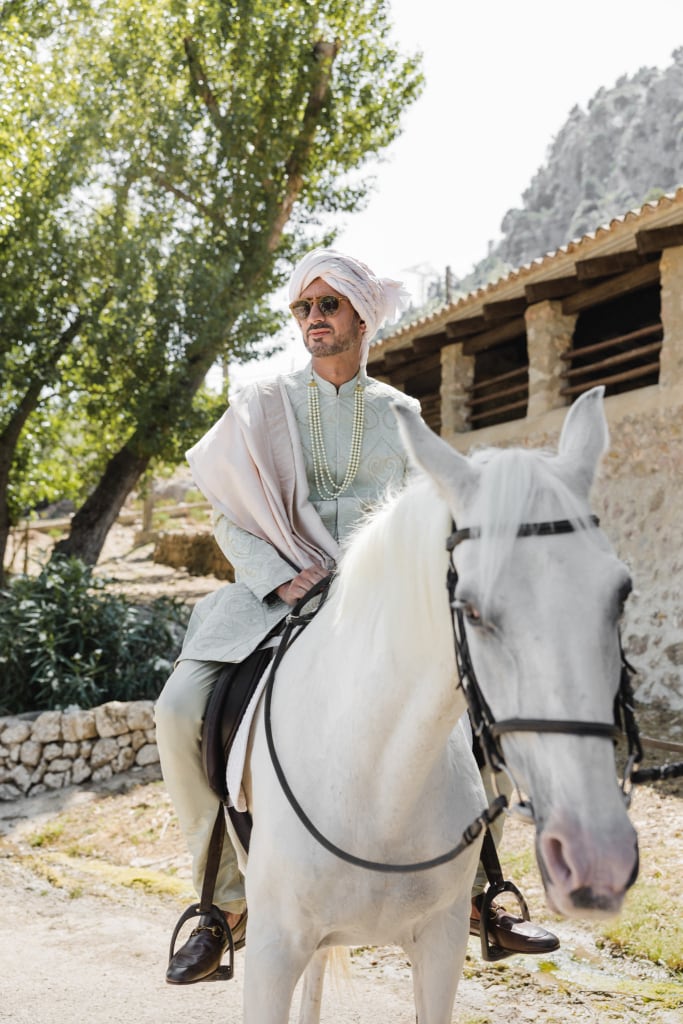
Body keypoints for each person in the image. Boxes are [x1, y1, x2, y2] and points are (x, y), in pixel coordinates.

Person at [155, 248, 558, 986]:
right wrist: (280, 578)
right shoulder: (261, 404)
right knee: (179, 710)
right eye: (303, 307)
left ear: (361, 316)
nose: (314, 318)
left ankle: (481, 892)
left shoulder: (401, 415)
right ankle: (222, 903)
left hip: (375, 603)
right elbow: (228, 519)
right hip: (267, 595)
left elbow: (424, 512)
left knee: (476, 703)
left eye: (328, 305)